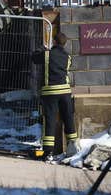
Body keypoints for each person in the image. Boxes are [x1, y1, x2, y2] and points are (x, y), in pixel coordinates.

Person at [31, 32, 79, 162]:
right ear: (65, 43)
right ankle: (73, 146)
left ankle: (48, 152)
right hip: (65, 91)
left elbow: (34, 58)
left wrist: (42, 48)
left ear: (54, 42)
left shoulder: (46, 55)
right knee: (68, 118)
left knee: (50, 120)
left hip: (50, 92)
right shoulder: (68, 57)